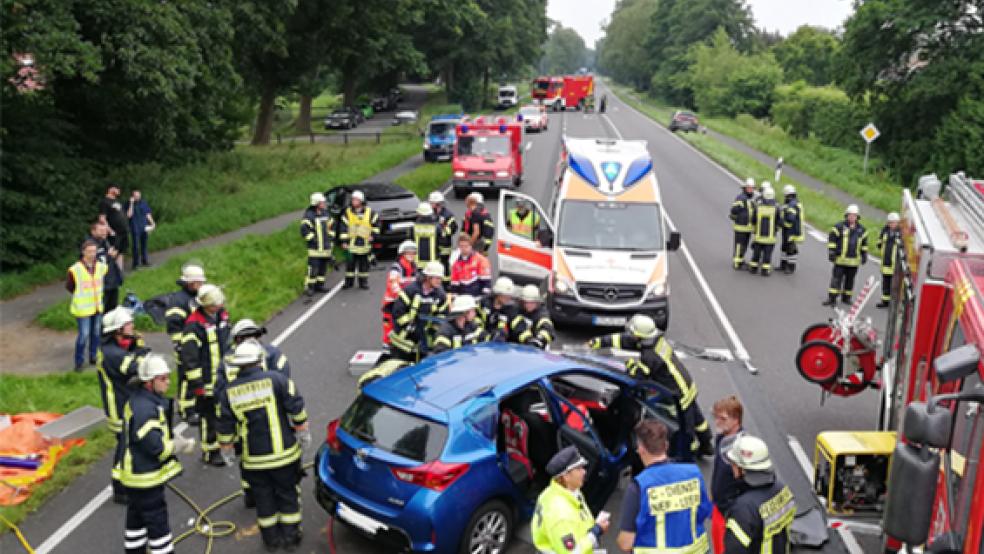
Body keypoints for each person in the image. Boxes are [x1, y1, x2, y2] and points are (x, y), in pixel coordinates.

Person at [217, 341, 310, 552]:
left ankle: (271, 539)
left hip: (254, 461)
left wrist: (227, 450)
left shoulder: (229, 393)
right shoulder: (278, 380)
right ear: (260, 360)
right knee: (287, 495)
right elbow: (296, 408)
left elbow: (224, 427)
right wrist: (303, 432)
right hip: (284, 455)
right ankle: (291, 537)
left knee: (263, 498)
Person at [587, 314, 713, 456]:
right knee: (698, 419)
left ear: (641, 336)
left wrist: (630, 364)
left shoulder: (650, 356)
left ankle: (689, 450)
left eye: (634, 334)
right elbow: (626, 340)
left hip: (678, 393)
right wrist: (600, 341)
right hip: (686, 384)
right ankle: (706, 442)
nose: (632, 336)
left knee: (685, 425)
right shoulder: (657, 342)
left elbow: (637, 376)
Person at [120, 354, 192, 554]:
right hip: (145, 478)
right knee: (157, 523)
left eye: (168, 377)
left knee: (136, 520)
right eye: (162, 379)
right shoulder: (145, 408)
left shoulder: (140, 400)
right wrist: (177, 445)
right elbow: (155, 447)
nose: (168, 382)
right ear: (149, 382)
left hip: (134, 476)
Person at [616, 420, 712, 553]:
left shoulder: (639, 487)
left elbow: (626, 543)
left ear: (641, 449)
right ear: (666, 446)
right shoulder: (693, 474)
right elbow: (703, 512)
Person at [97, 307, 151, 504]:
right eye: (128, 324)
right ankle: (120, 489)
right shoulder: (112, 354)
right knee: (124, 448)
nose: (132, 326)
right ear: (117, 329)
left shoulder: (117, 348)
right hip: (118, 408)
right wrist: (142, 352)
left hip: (126, 402)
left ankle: (128, 481)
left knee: (130, 444)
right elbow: (138, 369)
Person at [180, 284, 231, 466]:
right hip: (206, 382)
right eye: (214, 305)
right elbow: (190, 360)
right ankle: (210, 451)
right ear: (205, 305)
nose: (217, 307)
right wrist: (198, 386)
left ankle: (227, 444)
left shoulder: (222, 316)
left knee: (226, 412)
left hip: (224, 376)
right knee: (209, 418)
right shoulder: (193, 327)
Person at [724, 435, 796, 554]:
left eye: (734, 464)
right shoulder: (782, 489)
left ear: (742, 469)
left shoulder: (744, 509)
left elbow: (734, 550)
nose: (732, 468)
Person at [531, 446, 610, 553]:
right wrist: (595, 532)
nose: (584, 472)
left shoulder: (560, 491)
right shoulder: (560, 516)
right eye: (579, 468)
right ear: (566, 476)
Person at [165, 263, 207, 425]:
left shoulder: (194, 297)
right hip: (185, 346)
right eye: (199, 283)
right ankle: (186, 410)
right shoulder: (178, 301)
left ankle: (194, 406)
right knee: (186, 378)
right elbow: (174, 326)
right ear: (191, 283)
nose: (201, 285)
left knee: (196, 376)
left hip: (196, 343)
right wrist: (181, 345)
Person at [389, 261, 449, 362]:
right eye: (437, 278)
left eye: (441, 278)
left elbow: (442, 315)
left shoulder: (440, 295)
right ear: (428, 277)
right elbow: (398, 313)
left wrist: (433, 329)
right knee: (401, 368)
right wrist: (412, 327)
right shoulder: (410, 291)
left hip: (423, 340)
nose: (440, 281)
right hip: (403, 340)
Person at [67, 240, 109, 370]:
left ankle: (93, 356)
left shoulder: (102, 267)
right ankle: (79, 361)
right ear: (83, 252)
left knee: (96, 333)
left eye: (94, 251)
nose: (92, 254)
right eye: (89, 251)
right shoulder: (75, 269)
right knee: (84, 335)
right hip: (83, 308)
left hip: (97, 306)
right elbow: (70, 286)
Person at [710, 396, 745, 554]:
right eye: (716, 417)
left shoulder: (743, 447)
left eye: (722, 418)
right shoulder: (722, 439)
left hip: (730, 512)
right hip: (719, 507)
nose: (717, 422)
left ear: (736, 419)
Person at [824, 204, 868, 306]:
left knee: (850, 281)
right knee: (836, 280)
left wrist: (864, 254)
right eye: (850, 215)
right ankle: (832, 298)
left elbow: (864, 244)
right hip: (840, 260)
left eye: (854, 215)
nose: (852, 217)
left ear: (857, 217)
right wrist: (831, 251)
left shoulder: (862, 230)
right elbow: (832, 240)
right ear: (846, 215)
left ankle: (846, 298)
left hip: (853, 262)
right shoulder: (838, 227)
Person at [337, 189, 379, 289]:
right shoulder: (347, 213)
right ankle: (349, 283)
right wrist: (344, 241)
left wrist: (373, 235)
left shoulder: (371, 213)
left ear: (361, 201)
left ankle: (363, 283)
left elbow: (377, 226)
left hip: (364, 244)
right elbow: (343, 228)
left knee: (363, 266)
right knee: (350, 266)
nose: (353, 201)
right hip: (351, 245)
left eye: (356, 200)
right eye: (353, 200)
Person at [382, 241, 418, 348]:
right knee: (389, 326)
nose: (411, 255)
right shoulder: (397, 268)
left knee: (404, 324)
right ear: (402, 253)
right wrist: (403, 296)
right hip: (392, 302)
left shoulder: (413, 267)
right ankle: (387, 345)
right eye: (408, 253)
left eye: (413, 253)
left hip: (404, 302)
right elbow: (393, 284)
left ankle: (400, 344)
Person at [300, 192, 334, 296]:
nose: (324, 203)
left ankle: (319, 286)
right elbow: (304, 231)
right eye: (322, 202)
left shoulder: (325, 213)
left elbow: (331, 226)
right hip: (315, 249)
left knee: (322, 269)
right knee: (313, 270)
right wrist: (314, 240)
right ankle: (309, 288)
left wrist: (330, 238)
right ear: (316, 203)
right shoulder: (309, 215)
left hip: (325, 248)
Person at [86, 220, 124, 312]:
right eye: (101, 231)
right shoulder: (90, 245)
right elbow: (93, 262)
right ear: (93, 231)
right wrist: (108, 255)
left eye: (105, 230)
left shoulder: (105, 242)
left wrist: (111, 232)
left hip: (112, 280)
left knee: (112, 309)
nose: (104, 232)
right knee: (102, 310)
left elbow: (120, 242)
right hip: (102, 283)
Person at [511, 285, 555, 349]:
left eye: (532, 302)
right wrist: (528, 339)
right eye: (526, 302)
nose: (529, 305)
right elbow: (516, 324)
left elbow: (547, 328)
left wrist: (539, 339)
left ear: (537, 302)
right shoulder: (517, 310)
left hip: (536, 349)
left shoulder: (541, 313)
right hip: (518, 346)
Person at [748, 185, 778, 276]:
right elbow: (779, 221)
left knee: (756, 254)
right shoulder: (776, 209)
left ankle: (753, 269)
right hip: (770, 238)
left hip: (759, 237)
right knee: (767, 255)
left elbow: (753, 220)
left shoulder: (758, 208)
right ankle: (765, 271)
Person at [429, 191, 458, 284]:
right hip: (434, 244)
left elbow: (453, 229)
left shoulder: (448, 215)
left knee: (444, 264)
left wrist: (443, 228)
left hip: (445, 245)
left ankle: (446, 283)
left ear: (436, 204)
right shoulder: (431, 214)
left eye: (431, 203)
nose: (430, 205)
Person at [99, 184, 129, 272]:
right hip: (114, 232)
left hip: (123, 231)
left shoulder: (117, 201)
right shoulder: (105, 202)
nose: (119, 191)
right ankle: (111, 273)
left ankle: (120, 272)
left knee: (121, 251)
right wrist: (110, 230)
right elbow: (102, 218)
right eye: (117, 189)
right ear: (111, 189)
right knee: (113, 252)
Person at [479, 276, 519, 342]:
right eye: (505, 295)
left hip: (500, 346)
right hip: (482, 342)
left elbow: (519, 326)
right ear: (498, 294)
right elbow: (474, 324)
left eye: (509, 295)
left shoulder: (511, 309)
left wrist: (528, 339)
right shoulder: (484, 304)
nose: (508, 298)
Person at [729, 178, 756, 270]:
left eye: (752, 188)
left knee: (744, 245)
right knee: (739, 245)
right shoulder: (741, 198)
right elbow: (734, 210)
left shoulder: (750, 199)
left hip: (747, 228)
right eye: (749, 188)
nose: (751, 190)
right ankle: (737, 263)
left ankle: (741, 260)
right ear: (745, 188)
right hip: (741, 227)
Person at [877, 212, 901, 308]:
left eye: (894, 223)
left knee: (895, 286)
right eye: (890, 223)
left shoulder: (900, 234)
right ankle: (885, 301)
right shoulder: (885, 231)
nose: (892, 224)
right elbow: (880, 241)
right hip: (886, 263)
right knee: (886, 283)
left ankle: (894, 303)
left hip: (896, 265)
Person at [778, 184, 804, 274]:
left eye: (785, 195)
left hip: (792, 231)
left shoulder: (792, 204)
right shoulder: (792, 203)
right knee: (784, 247)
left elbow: (791, 218)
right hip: (788, 230)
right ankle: (783, 265)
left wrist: (782, 222)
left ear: (788, 195)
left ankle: (791, 267)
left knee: (791, 249)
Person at [127, 190, 154, 268]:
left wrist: (152, 223)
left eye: (139, 196)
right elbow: (129, 215)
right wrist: (131, 203)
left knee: (144, 245)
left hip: (144, 226)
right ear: (132, 196)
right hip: (135, 227)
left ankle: (144, 261)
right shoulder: (128, 204)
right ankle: (135, 264)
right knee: (136, 246)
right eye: (136, 196)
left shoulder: (143, 203)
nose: (137, 197)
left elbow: (147, 213)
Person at [411, 202, 439, 269]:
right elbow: (441, 242)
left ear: (419, 214)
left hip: (418, 262)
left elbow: (412, 242)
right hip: (433, 261)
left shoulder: (414, 227)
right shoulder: (437, 227)